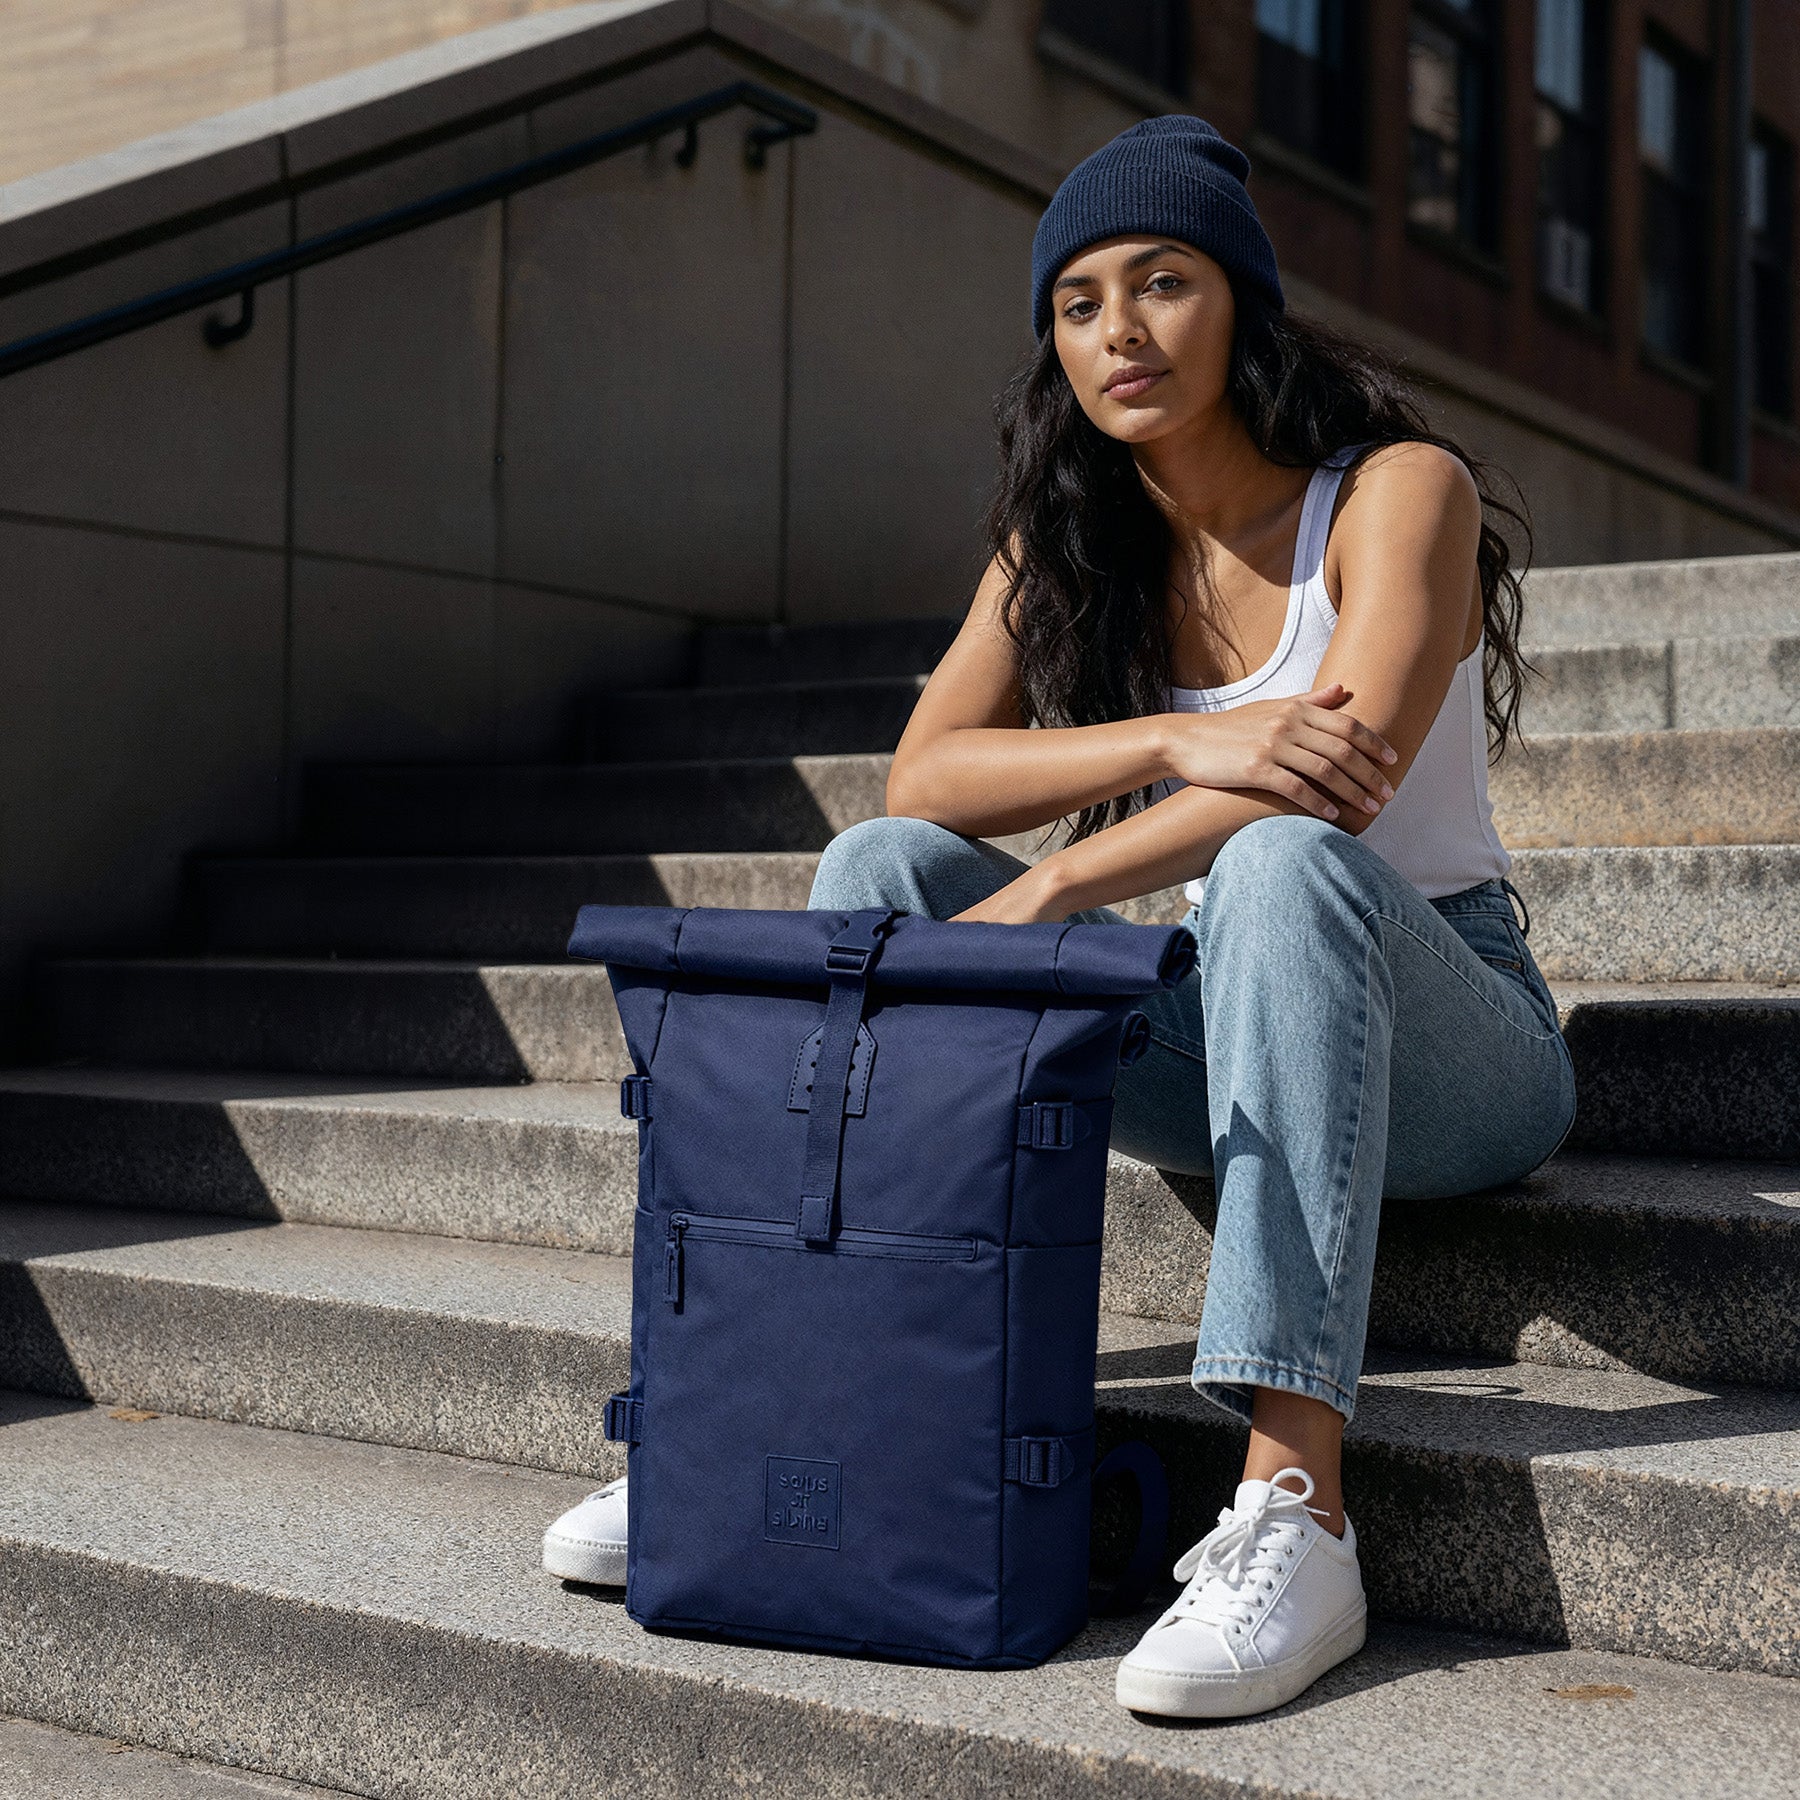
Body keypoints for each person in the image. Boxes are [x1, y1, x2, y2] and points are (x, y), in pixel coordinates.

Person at [544, 113, 1576, 1720]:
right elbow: (926, 775)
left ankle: (1300, 1511)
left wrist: (1073, 873)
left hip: (1460, 1039)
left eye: (1163, 283)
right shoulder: (1073, 547)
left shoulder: (1392, 493)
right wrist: (1178, 731)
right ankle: (813, 1410)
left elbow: (1343, 772)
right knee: (881, 877)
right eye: (1080, 301)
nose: (1121, 331)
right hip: (1227, 1024)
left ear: (1239, 304)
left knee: (1280, 866)